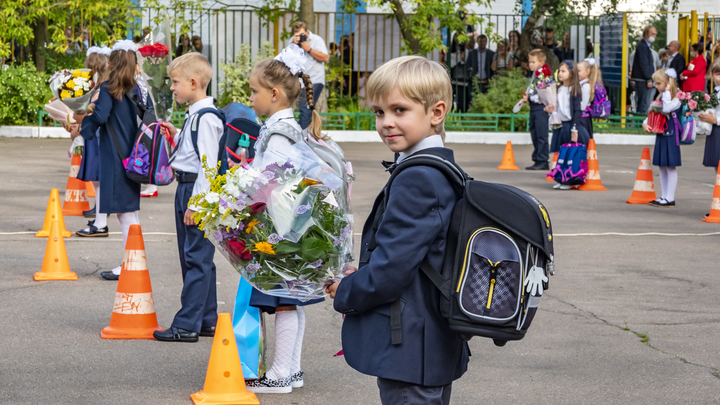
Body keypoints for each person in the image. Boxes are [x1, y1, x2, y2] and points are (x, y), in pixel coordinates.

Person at [326, 55, 468, 405]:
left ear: (436, 113)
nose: (386, 122)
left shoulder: (419, 177)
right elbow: (413, 256)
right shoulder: (439, 169)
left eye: (399, 110)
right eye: (379, 112)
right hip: (427, 344)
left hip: (412, 351)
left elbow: (391, 271)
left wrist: (347, 289)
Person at [239, 51, 327, 393]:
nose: (250, 98)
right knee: (292, 299)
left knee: (284, 300)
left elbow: (270, 183)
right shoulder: (285, 128)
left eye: (254, 91)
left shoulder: (279, 133)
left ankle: (279, 375)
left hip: (281, 228)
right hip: (294, 227)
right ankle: (290, 370)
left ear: (274, 93)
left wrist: (240, 187)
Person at [153, 53, 222, 343]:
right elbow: (196, 151)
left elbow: (208, 166)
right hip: (187, 188)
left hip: (196, 191)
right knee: (196, 257)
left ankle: (187, 324)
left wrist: (197, 204)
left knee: (196, 258)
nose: (171, 87)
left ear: (194, 83)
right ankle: (206, 319)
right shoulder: (195, 115)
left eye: (175, 82)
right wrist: (178, 133)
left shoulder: (206, 118)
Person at [78, 40, 142, 280]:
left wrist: (82, 127)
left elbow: (100, 117)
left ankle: (130, 264)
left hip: (115, 159)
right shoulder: (136, 89)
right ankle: (134, 260)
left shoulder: (108, 88)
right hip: (134, 157)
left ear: (112, 63)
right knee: (130, 212)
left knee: (124, 214)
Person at [73, 47, 110, 237]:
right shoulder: (100, 89)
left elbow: (91, 116)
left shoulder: (101, 90)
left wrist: (78, 115)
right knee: (97, 181)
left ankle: (101, 222)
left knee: (99, 180)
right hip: (95, 137)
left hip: (98, 138)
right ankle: (99, 219)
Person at [641, 68, 681, 207]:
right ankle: (664, 196)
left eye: (659, 83)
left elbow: (666, 108)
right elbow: (653, 113)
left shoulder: (676, 98)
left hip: (671, 135)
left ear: (667, 83)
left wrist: (668, 92)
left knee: (670, 166)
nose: (656, 86)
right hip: (661, 134)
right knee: (662, 166)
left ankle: (670, 197)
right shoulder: (663, 97)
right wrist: (645, 123)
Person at [547, 60, 590, 190]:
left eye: (563, 71)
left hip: (571, 125)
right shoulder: (557, 89)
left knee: (572, 154)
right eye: (559, 71)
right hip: (561, 125)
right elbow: (556, 107)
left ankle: (571, 180)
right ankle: (561, 178)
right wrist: (549, 109)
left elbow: (578, 111)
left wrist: (575, 129)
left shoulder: (575, 90)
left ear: (571, 73)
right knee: (562, 154)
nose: (560, 74)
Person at [288, 21, 328, 130]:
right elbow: (287, 60)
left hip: (314, 80)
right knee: (304, 109)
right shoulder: (292, 42)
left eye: (302, 34)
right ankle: (308, 136)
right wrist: (293, 45)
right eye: (296, 35)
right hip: (299, 82)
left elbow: (325, 57)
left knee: (305, 110)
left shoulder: (317, 40)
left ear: (307, 32)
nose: (300, 37)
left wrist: (309, 49)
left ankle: (301, 139)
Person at [522, 49, 550, 170]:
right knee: (534, 132)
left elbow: (543, 92)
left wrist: (531, 97)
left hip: (540, 107)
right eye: (529, 62)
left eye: (533, 62)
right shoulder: (534, 75)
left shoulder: (543, 75)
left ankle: (543, 160)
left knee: (541, 134)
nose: (530, 64)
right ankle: (538, 158)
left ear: (541, 62)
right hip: (534, 107)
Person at [699, 60, 720, 217]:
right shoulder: (715, 91)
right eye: (717, 73)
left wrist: (716, 120)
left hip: (718, 127)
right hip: (714, 132)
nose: (719, 77)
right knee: (716, 168)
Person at [631, 25, 658, 115]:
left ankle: (641, 122)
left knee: (644, 102)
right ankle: (641, 123)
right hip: (643, 80)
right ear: (646, 34)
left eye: (655, 34)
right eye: (652, 34)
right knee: (643, 103)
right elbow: (644, 64)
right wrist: (649, 78)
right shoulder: (643, 47)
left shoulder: (645, 46)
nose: (654, 36)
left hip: (643, 79)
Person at [577, 58, 600, 138]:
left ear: (587, 71)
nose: (576, 73)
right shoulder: (583, 84)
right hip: (583, 118)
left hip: (583, 118)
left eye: (579, 71)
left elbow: (583, 105)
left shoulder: (586, 86)